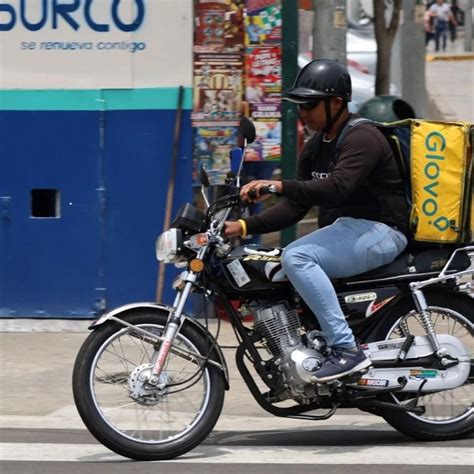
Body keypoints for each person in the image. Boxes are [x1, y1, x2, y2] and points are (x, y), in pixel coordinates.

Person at [225, 59, 409, 382]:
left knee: (297, 256)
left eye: (309, 104)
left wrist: (276, 185)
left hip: (384, 231)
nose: (303, 112)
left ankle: (346, 350)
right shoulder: (314, 148)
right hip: (348, 230)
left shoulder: (363, 137)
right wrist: (242, 227)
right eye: (299, 104)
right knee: (277, 267)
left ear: (337, 103)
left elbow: (337, 186)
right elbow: (296, 207)